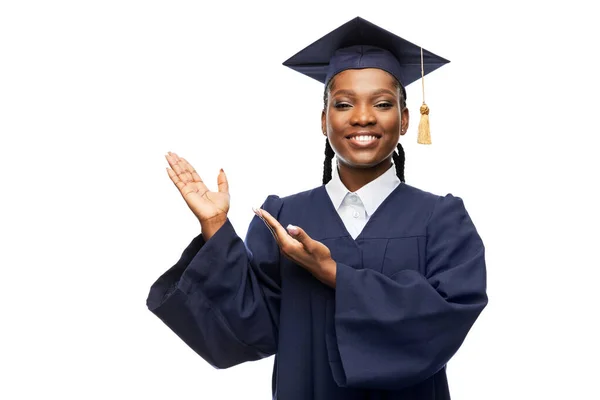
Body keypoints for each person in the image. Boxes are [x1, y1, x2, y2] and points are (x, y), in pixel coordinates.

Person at [146, 16, 487, 400]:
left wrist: (335, 274)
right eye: (343, 104)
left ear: (405, 119)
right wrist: (215, 228)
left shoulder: (441, 220)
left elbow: (445, 319)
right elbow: (249, 331)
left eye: (382, 103)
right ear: (324, 121)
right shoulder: (283, 217)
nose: (362, 116)